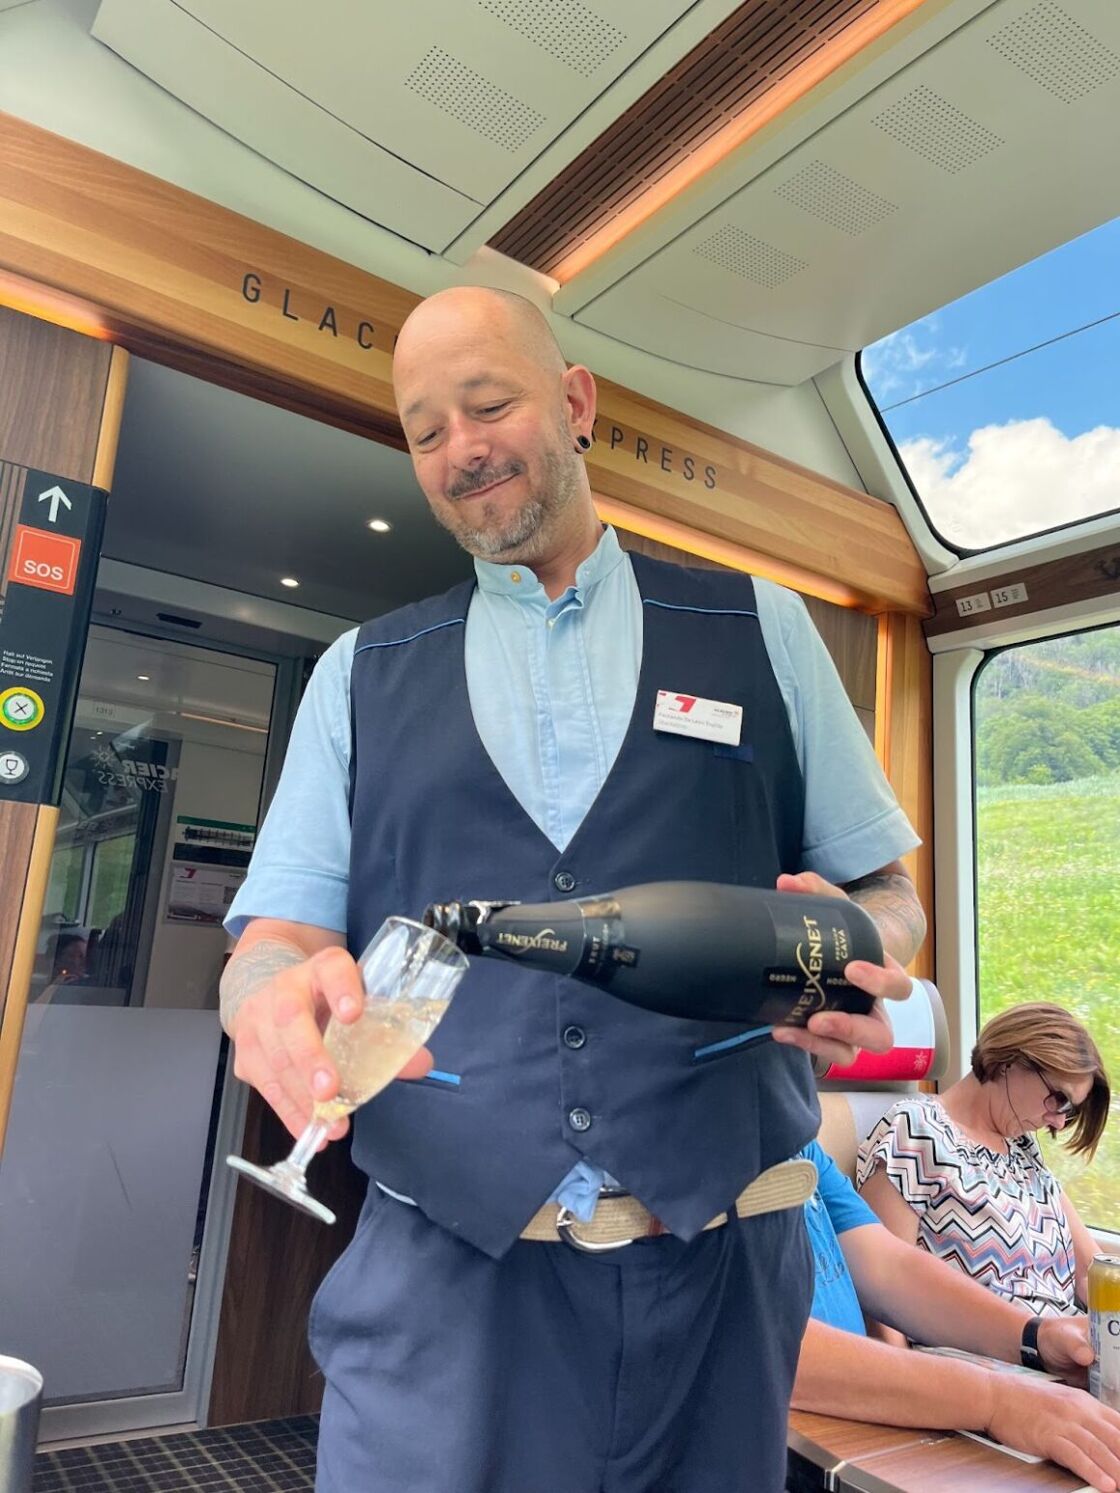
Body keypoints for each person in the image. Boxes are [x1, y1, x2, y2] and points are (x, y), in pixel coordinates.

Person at [220, 285, 927, 1493]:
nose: (461, 448)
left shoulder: (762, 625)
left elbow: (890, 897)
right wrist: (263, 1000)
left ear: (575, 401)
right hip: (447, 1270)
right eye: (425, 428)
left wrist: (863, 948)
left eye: (487, 403)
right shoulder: (358, 674)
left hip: (721, 1263)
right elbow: (274, 935)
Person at [797, 1137, 1120, 1492]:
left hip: (860, 1427)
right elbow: (766, 1351)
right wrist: (998, 1401)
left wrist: (1036, 1338)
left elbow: (890, 1268)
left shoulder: (796, 1142)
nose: (1061, 1123)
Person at [858, 1001, 1110, 1315]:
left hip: (1065, 1346)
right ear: (1010, 1061)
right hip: (985, 1354)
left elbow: (1092, 1274)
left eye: (1069, 1111)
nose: (1058, 1122)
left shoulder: (1023, 1150)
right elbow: (882, 1285)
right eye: (1059, 1099)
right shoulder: (916, 1131)